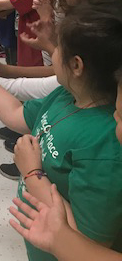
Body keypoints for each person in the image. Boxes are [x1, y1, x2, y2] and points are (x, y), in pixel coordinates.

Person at [0, 0, 122, 261]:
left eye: (57, 47)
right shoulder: (68, 94)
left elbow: (85, 242)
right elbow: (16, 114)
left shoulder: (105, 145)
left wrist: (33, 174)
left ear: (76, 65)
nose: (52, 51)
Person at [9, 69, 122, 260]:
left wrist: (33, 176)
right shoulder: (64, 95)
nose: (115, 119)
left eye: (119, 116)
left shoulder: (105, 149)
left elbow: (92, 243)